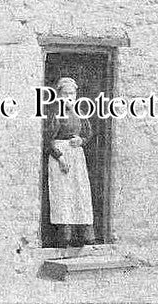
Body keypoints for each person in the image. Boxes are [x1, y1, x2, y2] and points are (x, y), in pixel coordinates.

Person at [44, 76, 95, 248]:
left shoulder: (79, 112)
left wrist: (81, 140)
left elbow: (88, 132)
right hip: (60, 157)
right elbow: (47, 140)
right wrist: (60, 157)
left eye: (72, 93)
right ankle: (64, 236)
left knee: (79, 191)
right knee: (63, 194)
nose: (69, 97)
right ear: (59, 95)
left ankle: (83, 236)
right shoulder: (55, 113)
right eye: (65, 93)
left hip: (76, 156)